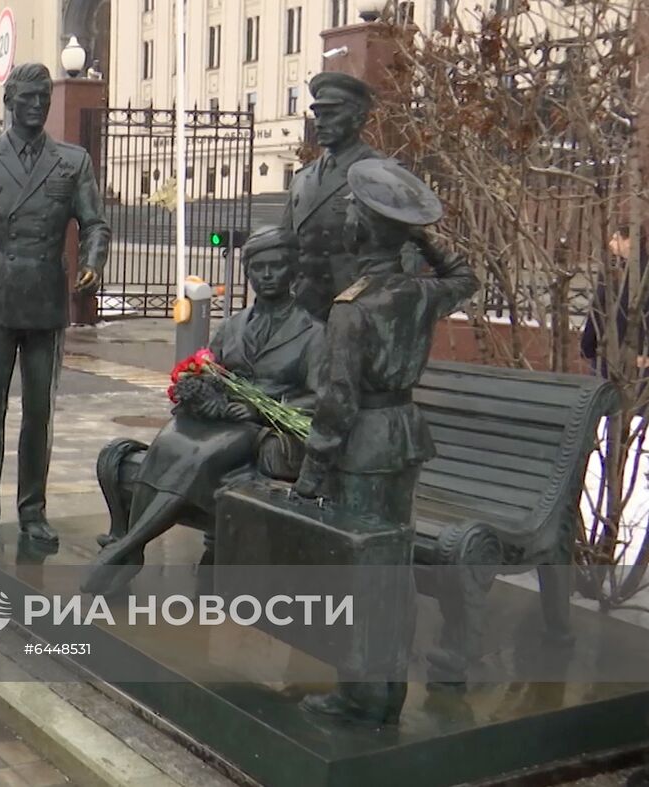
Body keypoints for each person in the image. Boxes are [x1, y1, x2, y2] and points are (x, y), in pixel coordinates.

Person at [292, 158, 477, 725]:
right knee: (392, 569)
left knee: (364, 572)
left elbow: (338, 402)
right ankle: (384, 691)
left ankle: (363, 696)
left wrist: (311, 472)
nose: (346, 214)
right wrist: (419, 234)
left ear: (362, 231)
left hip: (365, 448)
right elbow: (466, 278)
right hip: (403, 438)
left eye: (353, 209)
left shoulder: (353, 309)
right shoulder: (416, 293)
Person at [0, 62, 112, 562]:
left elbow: (96, 223)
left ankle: (32, 512)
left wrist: (93, 262)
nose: (36, 106)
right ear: (9, 101)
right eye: (27, 97)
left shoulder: (72, 162)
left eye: (43, 98)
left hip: (46, 302)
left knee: (40, 415)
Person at [82, 227, 323, 595]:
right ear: (249, 273)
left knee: (199, 456)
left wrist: (265, 408)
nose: (269, 275)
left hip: (260, 430)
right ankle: (129, 547)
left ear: (293, 271)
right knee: (167, 444)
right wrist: (206, 396)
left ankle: (128, 548)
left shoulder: (313, 333)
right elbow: (210, 369)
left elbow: (320, 396)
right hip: (218, 416)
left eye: (277, 266)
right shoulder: (232, 326)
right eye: (260, 268)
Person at [282, 72, 385, 320]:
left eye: (330, 114)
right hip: (305, 312)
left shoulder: (381, 174)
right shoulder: (302, 179)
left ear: (358, 118)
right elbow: (285, 244)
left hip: (355, 312)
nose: (319, 123)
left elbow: (406, 253)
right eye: (318, 115)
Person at [581, 225, 649, 378]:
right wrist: (589, 345)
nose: (611, 244)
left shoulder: (640, 275)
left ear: (629, 241)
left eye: (616, 239)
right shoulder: (613, 271)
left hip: (632, 355)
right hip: (608, 351)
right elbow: (598, 309)